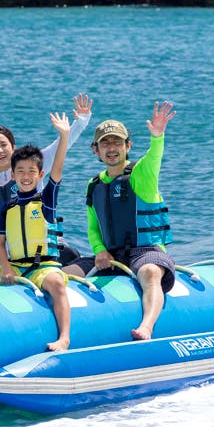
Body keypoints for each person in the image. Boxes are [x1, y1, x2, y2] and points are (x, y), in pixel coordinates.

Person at [0, 112, 74, 351]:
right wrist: (4, 267)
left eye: (31, 172)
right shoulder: (8, 208)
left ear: (40, 175)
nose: (26, 176)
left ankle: (64, 337)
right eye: (21, 172)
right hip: (13, 265)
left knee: (56, 284)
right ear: (13, 176)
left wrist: (64, 136)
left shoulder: (46, 201)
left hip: (42, 266)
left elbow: (57, 169)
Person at [70, 101, 177, 341]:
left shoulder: (141, 174)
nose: (111, 148)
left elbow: (154, 157)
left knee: (150, 272)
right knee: (64, 273)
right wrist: (99, 250)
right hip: (110, 255)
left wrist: (157, 137)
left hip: (145, 250)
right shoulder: (94, 185)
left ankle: (147, 326)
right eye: (105, 143)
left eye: (117, 142)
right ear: (95, 150)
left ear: (128, 146)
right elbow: (93, 227)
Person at [0, 94, 93, 264]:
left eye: (3, 145)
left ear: (13, 147)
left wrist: (81, 120)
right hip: (8, 247)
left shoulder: (34, 164)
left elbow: (61, 145)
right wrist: (7, 244)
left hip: (41, 245)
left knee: (70, 254)